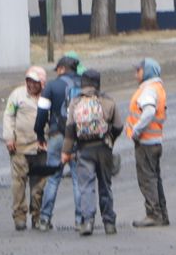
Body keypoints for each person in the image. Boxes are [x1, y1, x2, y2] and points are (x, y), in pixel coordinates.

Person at [61, 69, 122, 236]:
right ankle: (109, 223)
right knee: (105, 185)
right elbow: (118, 125)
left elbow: (70, 130)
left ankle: (88, 222)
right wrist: (110, 138)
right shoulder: (108, 102)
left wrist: (66, 152)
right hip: (103, 148)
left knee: (86, 186)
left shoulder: (75, 103)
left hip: (84, 149)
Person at [37, 52, 83, 232]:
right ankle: (80, 220)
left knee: (53, 179)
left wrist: (40, 134)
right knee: (78, 179)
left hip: (56, 135)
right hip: (78, 137)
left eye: (57, 69)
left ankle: (44, 218)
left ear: (62, 69)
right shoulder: (84, 83)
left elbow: (42, 113)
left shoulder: (51, 86)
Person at [1, 65, 50, 231]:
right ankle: (19, 216)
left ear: (42, 83)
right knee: (18, 183)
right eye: (29, 81)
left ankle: (37, 216)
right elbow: (9, 116)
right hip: (20, 147)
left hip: (41, 147)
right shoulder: (17, 95)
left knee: (39, 184)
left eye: (35, 82)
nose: (31, 85)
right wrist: (9, 138)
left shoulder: (47, 96)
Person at [127, 57, 169, 227]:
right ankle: (162, 213)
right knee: (155, 178)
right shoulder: (158, 88)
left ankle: (153, 214)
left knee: (147, 179)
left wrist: (136, 130)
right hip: (155, 141)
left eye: (138, 70)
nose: (136, 74)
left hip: (146, 142)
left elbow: (149, 111)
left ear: (147, 71)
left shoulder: (148, 90)